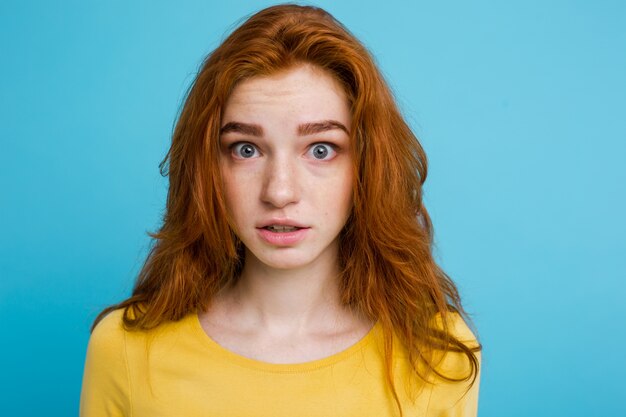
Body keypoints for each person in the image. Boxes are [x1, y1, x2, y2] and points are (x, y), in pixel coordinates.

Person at [80, 4, 481, 417]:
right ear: (206, 168)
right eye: (246, 149)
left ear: (367, 166)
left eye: (321, 150)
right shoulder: (124, 350)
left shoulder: (439, 356)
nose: (280, 191)